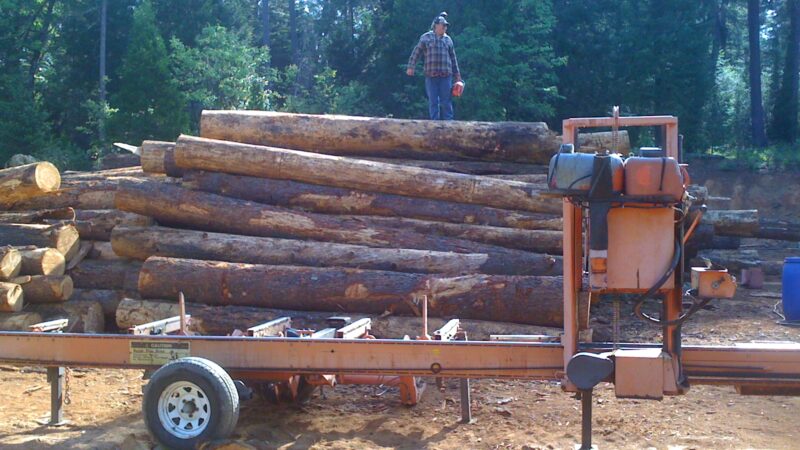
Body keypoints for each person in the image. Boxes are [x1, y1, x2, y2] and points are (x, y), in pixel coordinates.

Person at [406, 12, 462, 120]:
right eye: (443, 25)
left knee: (446, 101)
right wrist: (411, 66)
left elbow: (453, 58)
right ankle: (434, 124)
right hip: (431, 75)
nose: (445, 27)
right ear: (436, 25)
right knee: (433, 101)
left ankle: (449, 124)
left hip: (446, 76)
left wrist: (457, 75)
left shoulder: (448, 40)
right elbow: (416, 52)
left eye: (446, 25)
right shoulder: (426, 38)